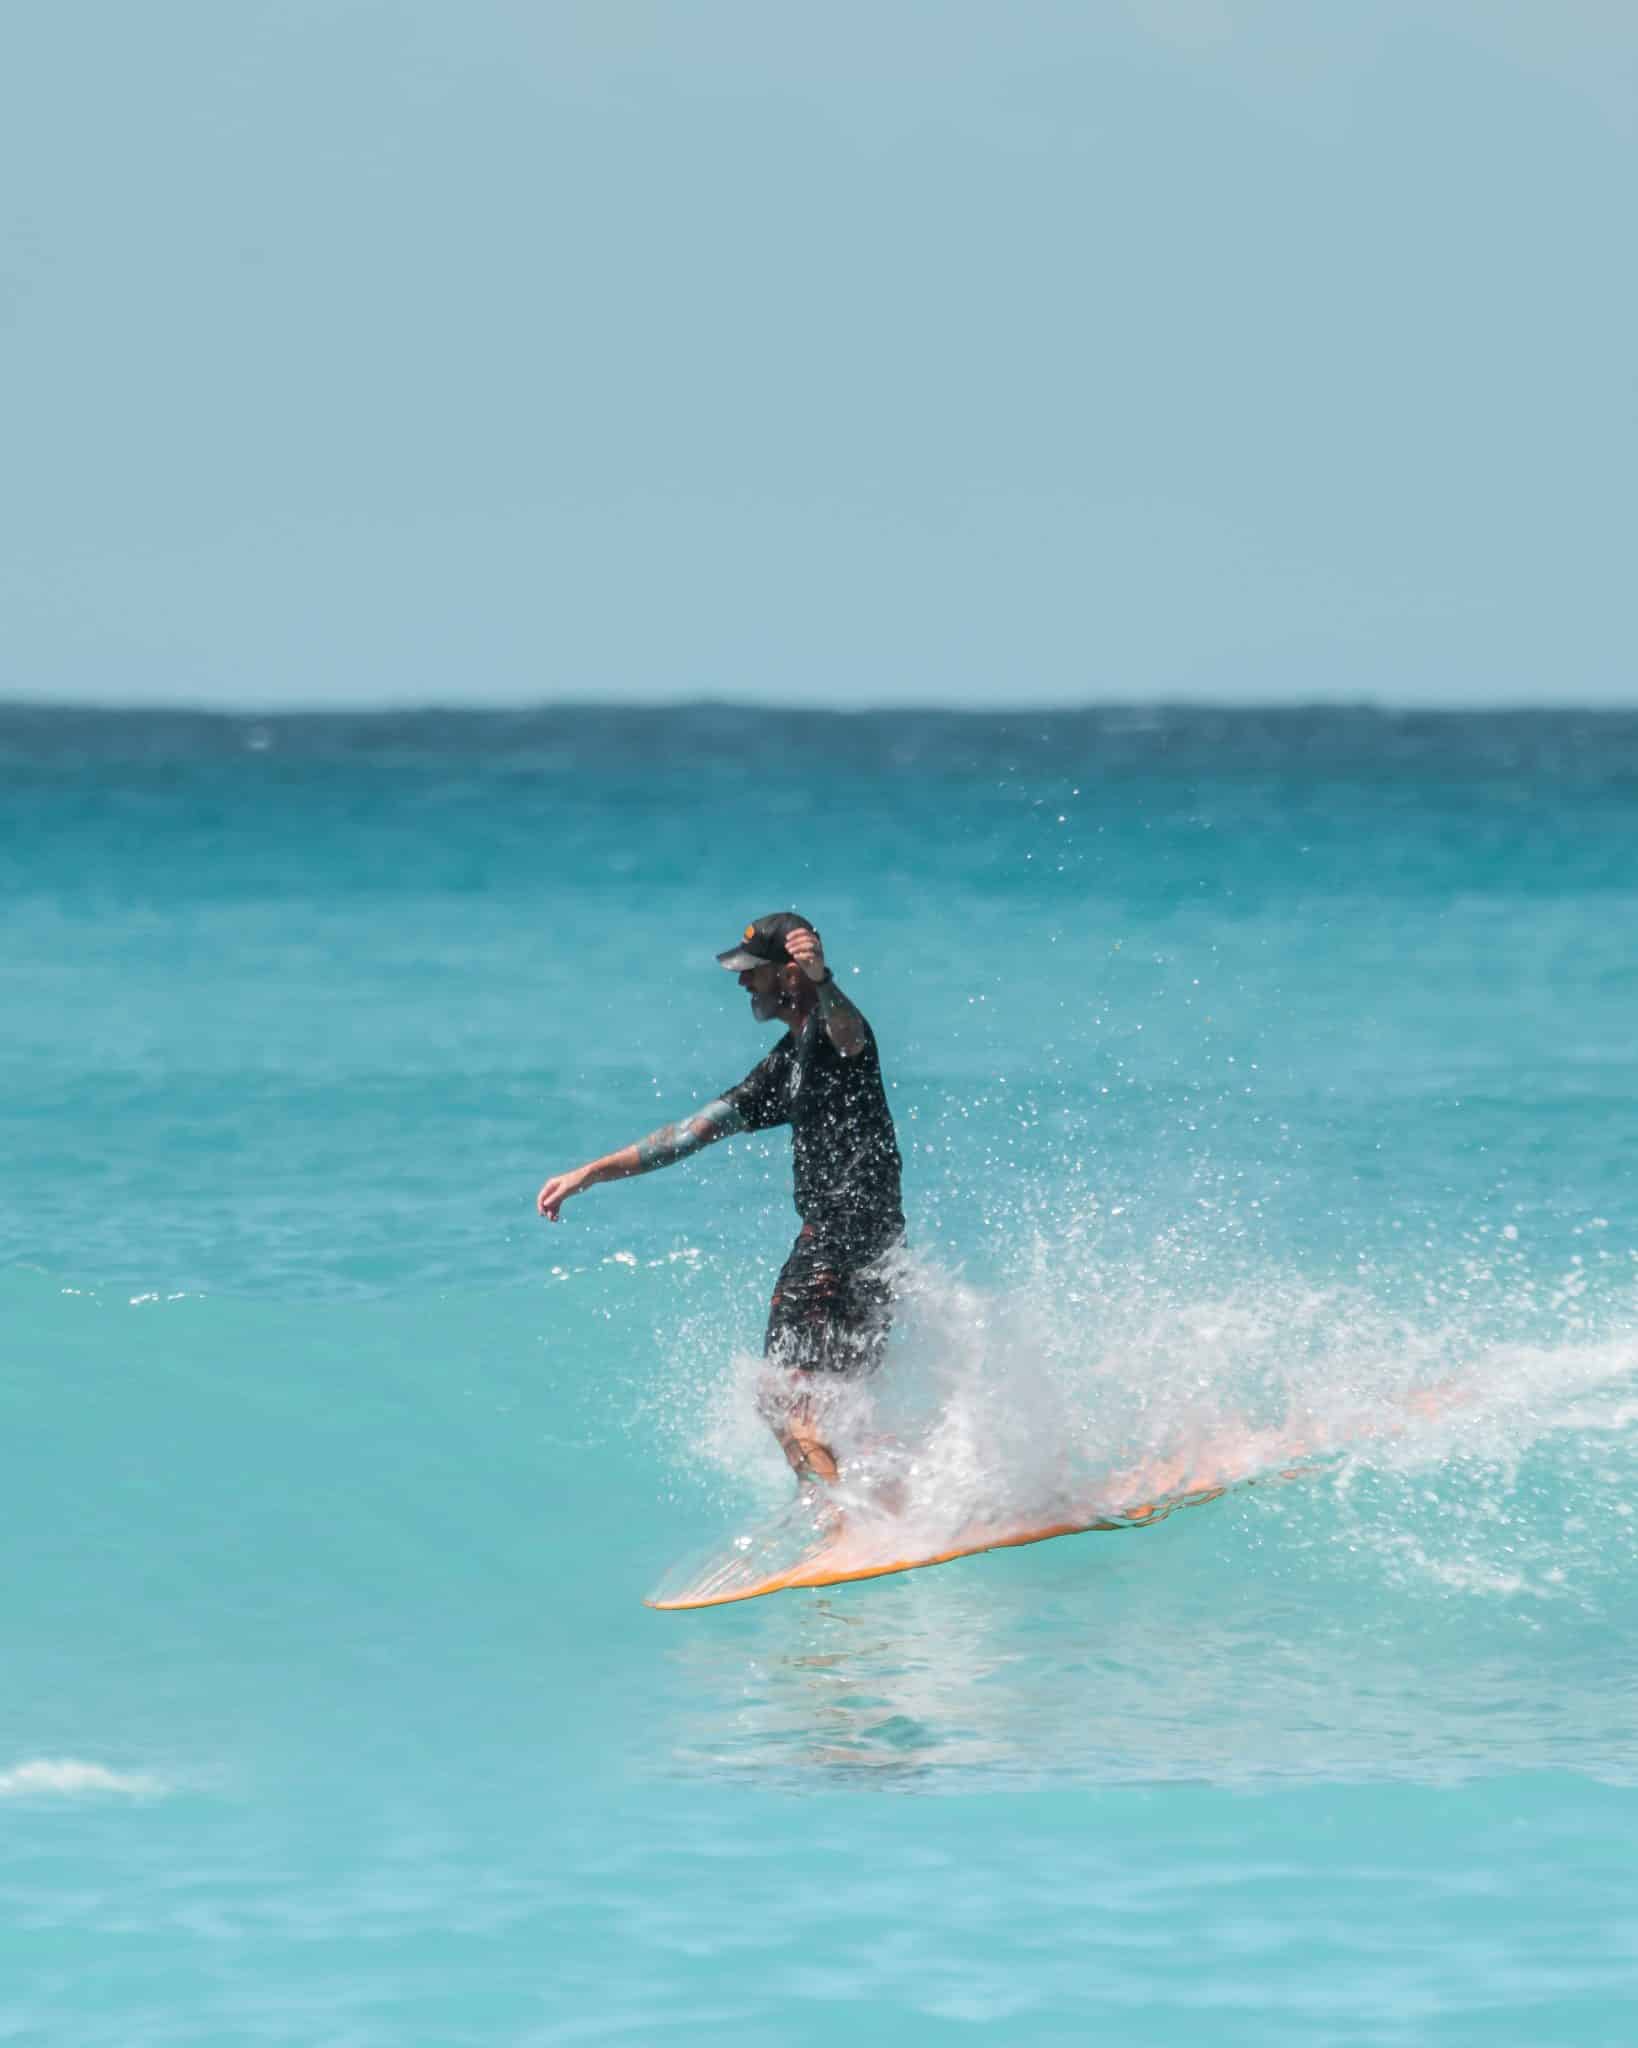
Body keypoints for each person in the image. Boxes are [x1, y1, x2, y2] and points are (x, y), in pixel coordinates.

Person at [536, 912, 905, 1485]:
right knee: (843, 1401)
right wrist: (592, 1172)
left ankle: (839, 1523)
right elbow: (689, 1133)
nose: (742, 984)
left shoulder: (837, 1033)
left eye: (753, 973)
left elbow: (852, 1033)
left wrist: (824, 979)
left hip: (835, 1235)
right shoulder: (786, 1066)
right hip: (881, 1239)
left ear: (790, 974)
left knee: (781, 1398)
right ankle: (906, 1505)